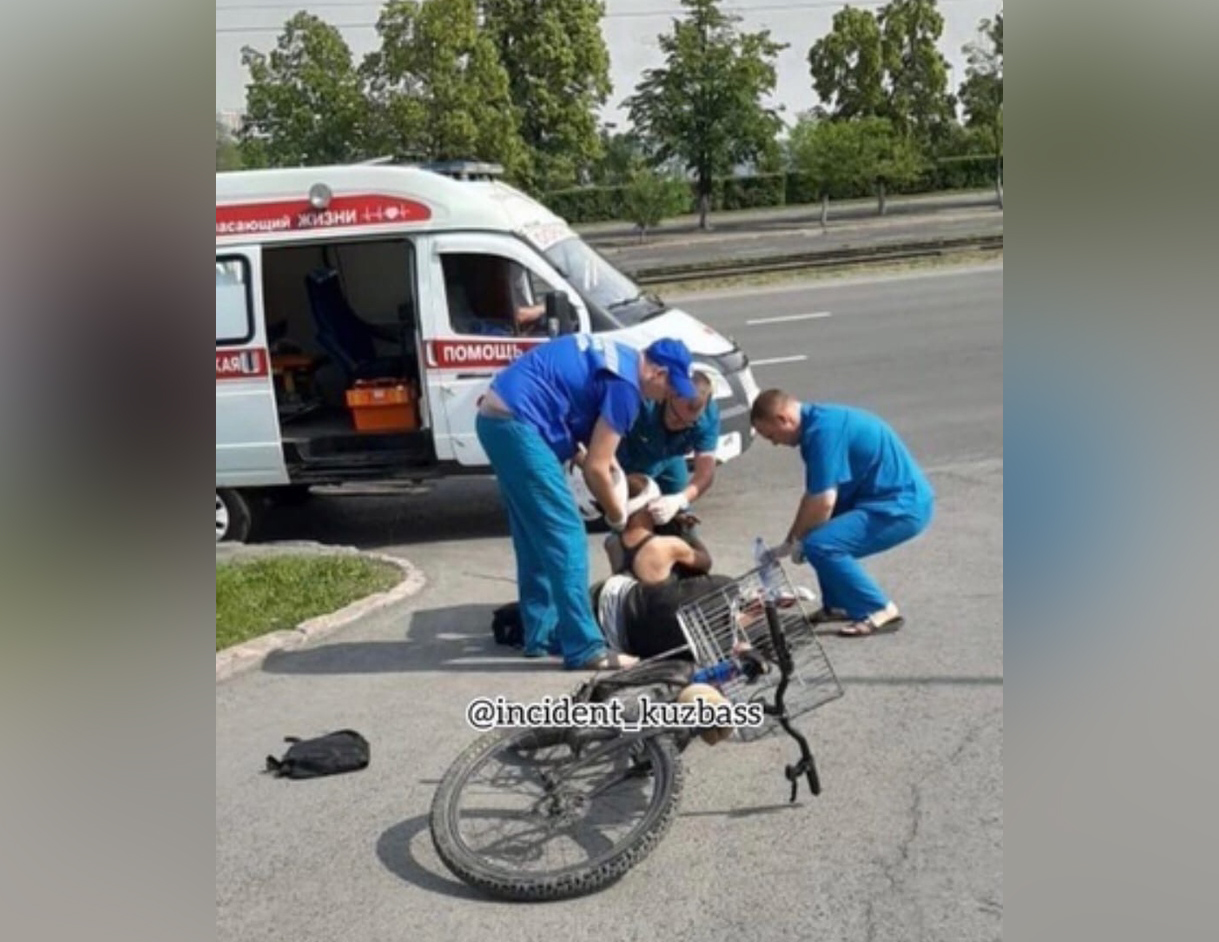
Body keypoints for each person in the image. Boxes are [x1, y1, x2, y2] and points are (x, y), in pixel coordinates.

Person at [476, 334, 700, 670]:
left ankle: (541, 632)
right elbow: (597, 467)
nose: (668, 396)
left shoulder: (619, 357)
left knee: (533, 533)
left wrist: (604, 470)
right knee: (567, 535)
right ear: (658, 372)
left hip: (498, 419)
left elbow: (589, 447)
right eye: (670, 388)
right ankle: (585, 649)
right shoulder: (627, 389)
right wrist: (617, 514)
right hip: (519, 424)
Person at [749, 388, 935, 637]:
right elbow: (812, 497)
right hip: (882, 500)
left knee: (822, 544)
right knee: (817, 536)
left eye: (770, 435)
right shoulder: (818, 424)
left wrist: (801, 541)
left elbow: (823, 501)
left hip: (901, 507)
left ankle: (879, 609)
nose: (773, 443)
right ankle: (838, 604)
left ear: (784, 419)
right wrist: (790, 541)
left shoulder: (823, 433)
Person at [616, 371, 720, 526]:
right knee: (633, 525)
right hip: (628, 458)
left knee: (680, 519)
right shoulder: (642, 402)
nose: (680, 425)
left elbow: (705, 473)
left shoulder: (708, 417)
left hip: (668, 458)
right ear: (669, 395)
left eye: (689, 423)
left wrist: (680, 500)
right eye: (676, 417)